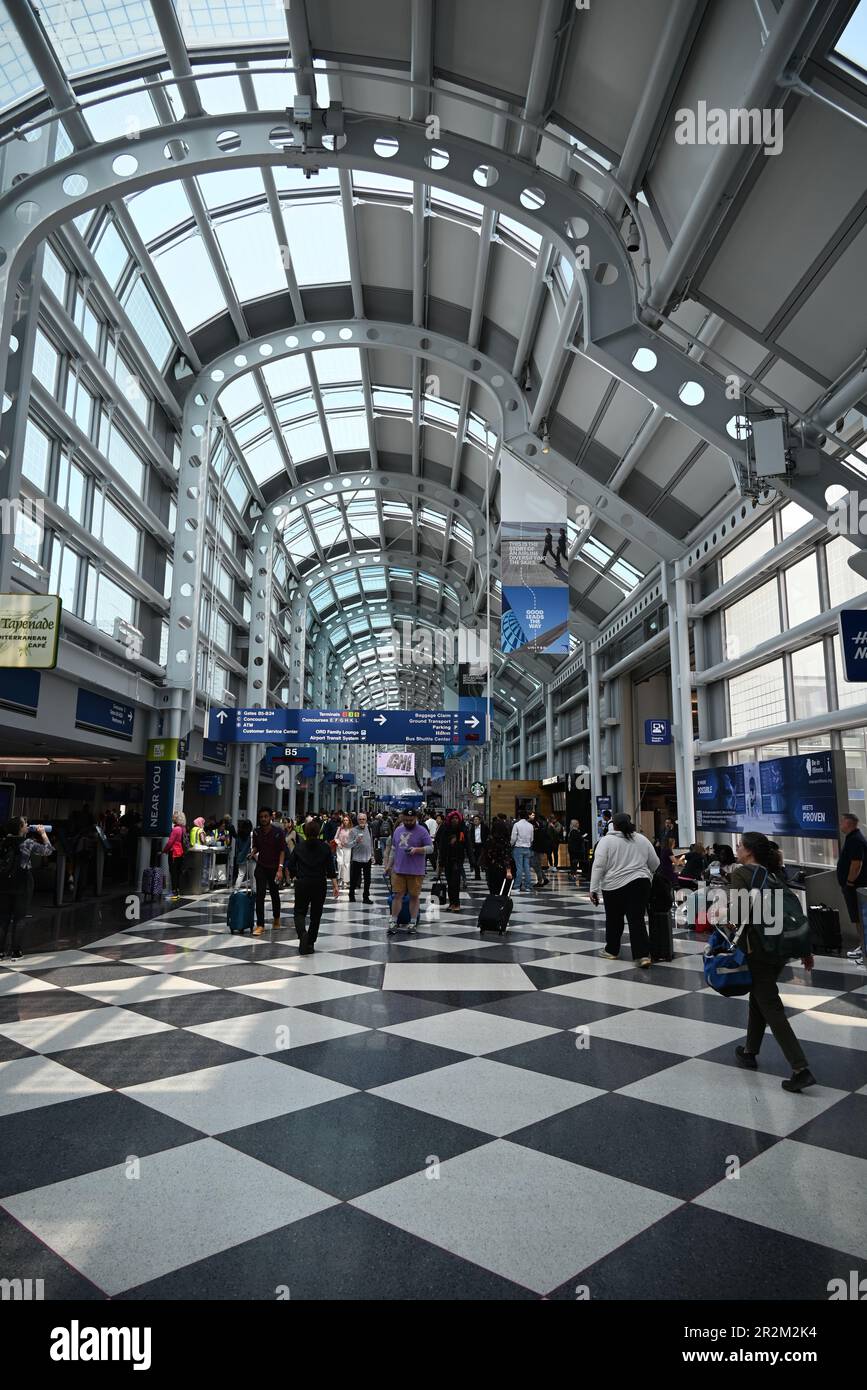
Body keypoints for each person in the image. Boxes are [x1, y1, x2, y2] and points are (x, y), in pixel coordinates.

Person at [730, 832, 816, 1092]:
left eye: (739, 845)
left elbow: (736, 913)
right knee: (759, 999)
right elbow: (791, 912)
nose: (736, 848)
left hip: (758, 950)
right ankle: (749, 1051)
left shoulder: (742, 875)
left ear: (748, 851)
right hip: (779, 949)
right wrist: (805, 949)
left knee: (770, 1006)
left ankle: (800, 1068)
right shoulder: (773, 874)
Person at [589, 811, 658, 968]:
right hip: (640, 884)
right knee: (637, 919)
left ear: (614, 824)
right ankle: (642, 956)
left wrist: (593, 889)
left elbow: (598, 866)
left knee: (614, 919)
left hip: (614, 887)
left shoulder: (606, 841)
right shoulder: (642, 839)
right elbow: (655, 863)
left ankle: (612, 950)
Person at [0, 818, 54, 959]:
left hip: (4, 883)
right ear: (20, 828)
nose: (27, 826)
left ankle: (0, 951)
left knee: (3, 918)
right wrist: (43, 834)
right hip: (23, 883)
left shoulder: (3, 842)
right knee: (19, 918)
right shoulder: (27, 843)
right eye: (25, 825)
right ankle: (16, 952)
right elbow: (47, 851)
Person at [286, 816, 339, 954]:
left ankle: (302, 934)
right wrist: (335, 885)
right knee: (316, 915)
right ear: (318, 832)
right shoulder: (325, 847)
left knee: (299, 912)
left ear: (305, 831)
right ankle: (310, 942)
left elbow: (290, 865)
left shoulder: (299, 847)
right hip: (319, 883)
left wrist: (294, 875)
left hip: (303, 882)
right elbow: (330, 869)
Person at [389, 809, 432, 931]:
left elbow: (431, 848)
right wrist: (388, 866)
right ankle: (394, 920)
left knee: (414, 896)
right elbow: (393, 849)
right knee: (397, 896)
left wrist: (417, 850)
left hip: (416, 871)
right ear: (402, 818)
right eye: (406, 820)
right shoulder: (398, 830)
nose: (408, 822)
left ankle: (412, 921)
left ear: (416, 818)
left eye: (411, 820)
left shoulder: (422, 831)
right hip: (399, 869)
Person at [250, 807, 286, 936]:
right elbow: (257, 846)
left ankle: (276, 918)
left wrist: (280, 869)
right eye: (261, 817)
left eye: (266, 816)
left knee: (274, 894)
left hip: (274, 868)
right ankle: (260, 924)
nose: (263, 819)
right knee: (259, 895)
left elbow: (282, 851)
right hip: (261, 867)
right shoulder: (257, 832)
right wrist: (252, 852)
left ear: (271, 817)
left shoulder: (278, 832)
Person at [836, 812, 867, 939]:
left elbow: (856, 864)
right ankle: (862, 947)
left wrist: (849, 883)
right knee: (857, 918)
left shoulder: (855, 840)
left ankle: (864, 949)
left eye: (842, 822)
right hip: (854, 886)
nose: (840, 825)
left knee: (860, 917)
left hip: (855, 886)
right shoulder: (853, 838)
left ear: (848, 823)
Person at [435, 810, 467, 912]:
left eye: (456, 818)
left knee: (455, 883)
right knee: (449, 882)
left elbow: (467, 845)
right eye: (453, 818)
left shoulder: (463, 830)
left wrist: (472, 860)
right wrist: (441, 862)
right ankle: (451, 903)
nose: (455, 820)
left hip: (457, 860)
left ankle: (456, 903)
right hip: (447, 860)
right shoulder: (445, 829)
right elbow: (441, 845)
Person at [479, 818, 514, 896]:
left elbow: (486, 854)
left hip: (491, 868)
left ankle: (494, 905)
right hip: (502, 868)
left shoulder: (490, 840)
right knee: (504, 890)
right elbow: (507, 856)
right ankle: (502, 906)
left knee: (493, 890)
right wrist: (508, 870)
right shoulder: (505, 841)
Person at [348, 811, 374, 904]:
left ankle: (366, 897)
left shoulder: (369, 829)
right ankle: (351, 894)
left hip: (367, 858)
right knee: (354, 878)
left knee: (368, 879)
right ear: (357, 820)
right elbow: (348, 845)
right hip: (356, 859)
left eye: (363, 819)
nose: (362, 821)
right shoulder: (353, 830)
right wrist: (355, 841)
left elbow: (370, 843)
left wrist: (372, 855)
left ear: (366, 820)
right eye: (360, 819)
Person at [163, 810, 188, 901]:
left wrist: (164, 851)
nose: (172, 818)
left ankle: (174, 893)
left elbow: (170, 842)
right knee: (177, 873)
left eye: (174, 816)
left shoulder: (176, 829)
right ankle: (177, 892)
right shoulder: (183, 828)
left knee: (173, 873)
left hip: (174, 853)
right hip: (181, 853)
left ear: (177, 818)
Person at [510, 809, 534, 893]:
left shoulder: (516, 824)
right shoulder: (530, 826)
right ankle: (528, 886)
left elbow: (513, 838)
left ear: (519, 816)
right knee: (527, 868)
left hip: (518, 848)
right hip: (527, 848)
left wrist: (511, 844)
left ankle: (517, 886)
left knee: (519, 868)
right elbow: (532, 838)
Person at [532, 815, 551, 887]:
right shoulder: (545, 827)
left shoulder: (539, 828)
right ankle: (544, 879)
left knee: (536, 865)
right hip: (541, 848)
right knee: (537, 865)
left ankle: (540, 881)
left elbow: (536, 838)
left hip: (537, 848)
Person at [233, 817, 253, 885]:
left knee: (240, 875)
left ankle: (236, 890)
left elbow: (237, 847)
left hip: (241, 856)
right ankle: (254, 891)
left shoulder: (238, 836)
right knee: (252, 876)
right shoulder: (250, 836)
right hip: (250, 856)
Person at [335, 813, 353, 886]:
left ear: (349, 821)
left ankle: (346, 880)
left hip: (348, 848)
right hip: (340, 847)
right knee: (340, 863)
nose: (345, 821)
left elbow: (353, 840)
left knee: (346, 864)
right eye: (344, 820)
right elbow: (335, 837)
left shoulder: (351, 830)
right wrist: (338, 843)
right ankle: (340, 878)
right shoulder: (339, 828)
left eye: (347, 820)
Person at [469, 813, 488, 880]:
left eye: (477, 819)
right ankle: (477, 876)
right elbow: (470, 837)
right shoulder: (472, 828)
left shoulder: (484, 827)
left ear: (480, 820)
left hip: (482, 846)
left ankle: (487, 876)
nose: (475, 821)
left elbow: (487, 836)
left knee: (484, 861)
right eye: (474, 819)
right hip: (475, 846)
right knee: (476, 862)